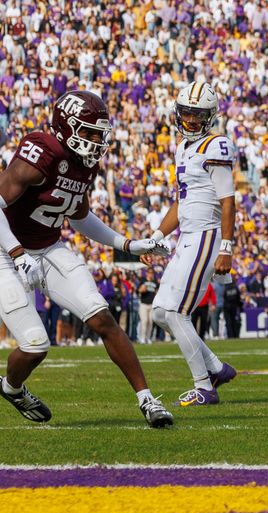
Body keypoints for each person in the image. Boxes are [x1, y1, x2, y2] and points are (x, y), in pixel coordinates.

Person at [0, 90, 172, 427]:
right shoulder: (43, 150)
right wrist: (17, 253)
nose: (95, 141)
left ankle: (147, 400)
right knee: (35, 346)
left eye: (99, 134)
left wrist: (127, 244)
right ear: (66, 127)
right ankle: (12, 388)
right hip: (5, 251)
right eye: (89, 132)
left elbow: (78, 215)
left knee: (102, 318)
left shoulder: (84, 164)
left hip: (48, 249)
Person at [145, 81, 238, 407]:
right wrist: (156, 237)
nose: (189, 120)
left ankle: (205, 386)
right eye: (185, 113)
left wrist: (227, 247)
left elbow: (228, 201)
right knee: (159, 312)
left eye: (196, 115)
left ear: (209, 116)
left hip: (207, 234)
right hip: (187, 234)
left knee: (176, 312)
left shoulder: (217, 145)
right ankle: (215, 367)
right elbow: (181, 202)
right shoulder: (183, 148)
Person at [138, 268, 158, 344]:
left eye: (152, 273)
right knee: (144, 321)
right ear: (146, 273)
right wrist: (142, 289)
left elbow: (156, 292)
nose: (150, 274)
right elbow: (138, 290)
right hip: (143, 304)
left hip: (152, 304)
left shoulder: (155, 281)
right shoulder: (143, 280)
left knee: (150, 322)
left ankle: (148, 338)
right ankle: (142, 338)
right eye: (149, 272)